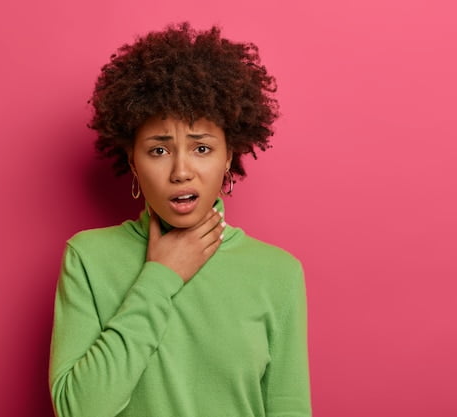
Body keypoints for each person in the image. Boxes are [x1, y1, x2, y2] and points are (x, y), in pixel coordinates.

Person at [49, 22, 311, 417]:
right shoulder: (88, 258)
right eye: (158, 151)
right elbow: (79, 410)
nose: (181, 171)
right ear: (132, 162)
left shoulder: (278, 273)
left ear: (228, 156)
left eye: (202, 148)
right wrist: (160, 276)